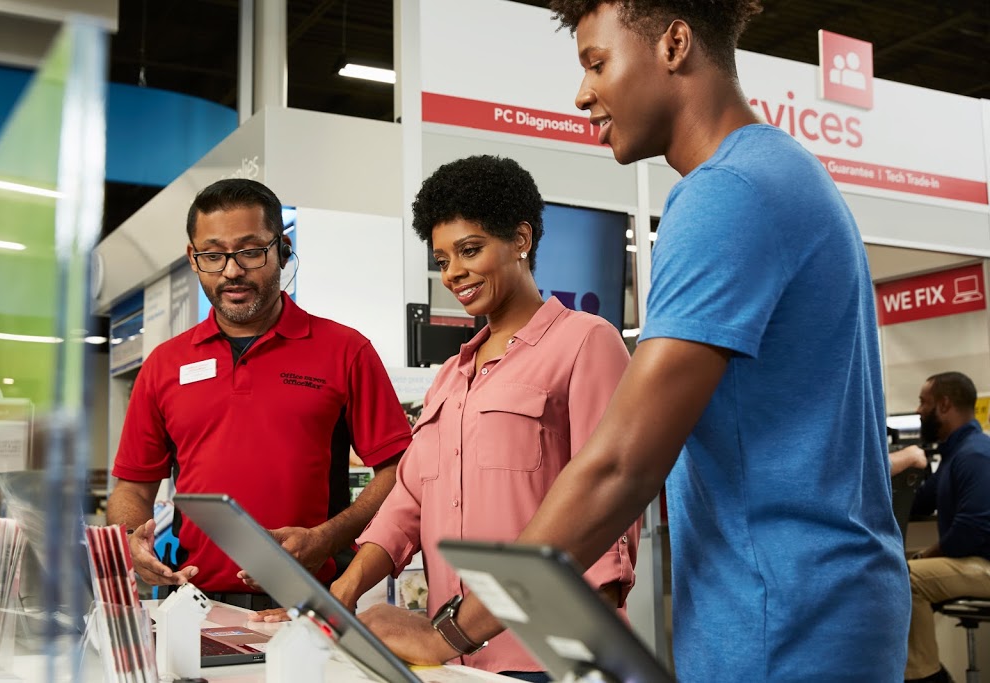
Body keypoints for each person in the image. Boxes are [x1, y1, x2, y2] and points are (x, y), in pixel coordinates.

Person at [359, 2, 911, 681]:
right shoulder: (778, 174)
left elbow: (621, 464)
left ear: (675, 44)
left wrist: (451, 630)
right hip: (802, 603)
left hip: (784, 615)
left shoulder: (726, 194)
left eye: (597, 62)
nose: (583, 92)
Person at [315, 155, 637, 681]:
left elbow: (607, 501)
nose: (454, 274)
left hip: (548, 657)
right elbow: (410, 501)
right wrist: (345, 589)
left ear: (520, 239)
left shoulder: (586, 342)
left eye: (470, 250)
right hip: (451, 659)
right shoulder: (451, 375)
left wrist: (586, 657)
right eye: (442, 259)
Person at [106, 178, 413, 608]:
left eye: (250, 251)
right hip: (190, 602)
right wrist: (129, 540)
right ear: (193, 259)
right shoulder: (164, 364)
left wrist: (327, 538)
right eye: (213, 255)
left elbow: (398, 470)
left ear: (282, 249)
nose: (232, 270)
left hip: (308, 599)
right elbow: (133, 490)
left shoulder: (346, 351)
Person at [904, 372, 990, 683]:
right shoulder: (957, 454)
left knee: (906, 577)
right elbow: (921, 503)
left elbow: (972, 528)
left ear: (943, 405)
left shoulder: (975, 454)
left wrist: (924, 555)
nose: (918, 411)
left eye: (922, 403)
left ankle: (927, 677)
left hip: (984, 565)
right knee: (897, 566)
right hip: (973, 562)